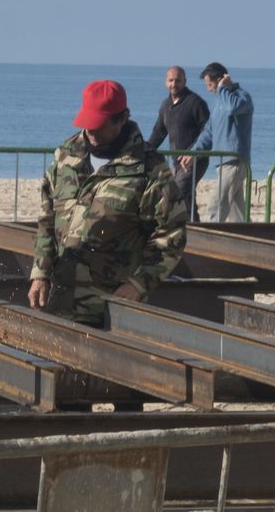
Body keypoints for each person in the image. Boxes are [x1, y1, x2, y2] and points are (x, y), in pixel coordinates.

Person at [27, 79, 187, 327]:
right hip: (59, 302)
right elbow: (47, 220)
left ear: (122, 119)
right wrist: (40, 273)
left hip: (110, 310)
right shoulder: (65, 157)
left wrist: (138, 284)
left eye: (99, 125)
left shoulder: (149, 170)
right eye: (87, 123)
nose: (91, 132)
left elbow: (170, 235)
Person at [179, 62, 253, 223]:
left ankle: (209, 240)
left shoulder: (242, 97)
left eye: (210, 84)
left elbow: (232, 108)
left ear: (221, 80)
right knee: (238, 213)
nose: (208, 89)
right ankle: (251, 240)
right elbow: (208, 133)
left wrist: (223, 88)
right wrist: (192, 153)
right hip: (223, 163)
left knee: (215, 206)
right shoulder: (219, 102)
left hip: (234, 161)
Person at [146, 65, 210, 222]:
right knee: (187, 200)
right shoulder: (165, 105)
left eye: (178, 81)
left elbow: (208, 131)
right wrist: (145, 150)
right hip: (177, 162)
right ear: (165, 82)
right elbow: (159, 132)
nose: (174, 84)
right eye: (171, 80)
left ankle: (163, 230)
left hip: (194, 160)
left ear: (185, 81)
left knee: (175, 194)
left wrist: (193, 153)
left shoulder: (195, 102)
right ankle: (195, 230)